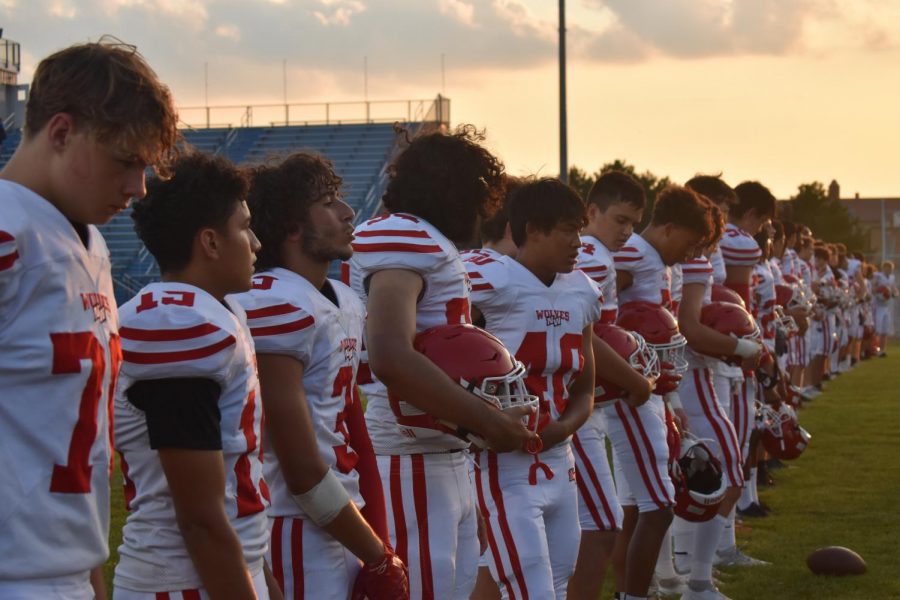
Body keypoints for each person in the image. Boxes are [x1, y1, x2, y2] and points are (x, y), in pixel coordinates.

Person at [0, 39, 177, 599]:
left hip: (64, 567)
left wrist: (90, 574)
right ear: (60, 133)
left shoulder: (88, 242)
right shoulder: (11, 233)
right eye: (126, 162)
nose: (137, 187)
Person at [348, 126, 537, 599]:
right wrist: (489, 422)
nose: (488, 211)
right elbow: (392, 355)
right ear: (458, 192)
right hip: (409, 455)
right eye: (483, 196)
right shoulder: (404, 236)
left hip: (437, 452)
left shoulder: (424, 239)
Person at [232, 153, 408, 599]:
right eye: (329, 202)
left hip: (342, 514)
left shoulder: (344, 300)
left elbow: (352, 427)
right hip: (292, 522)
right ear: (292, 227)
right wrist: (376, 553)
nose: (348, 212)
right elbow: (300, 466)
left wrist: (377, 536)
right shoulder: (276, 302)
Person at [114, 153, 273, 599]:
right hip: (186, 581)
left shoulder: (216, 310)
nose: (257, 242)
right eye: (244, 227)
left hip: (224, 567)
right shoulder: (177, 325)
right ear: (211, 242)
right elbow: (200, 521)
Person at [466, 178, 598, 599]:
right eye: (567, 229)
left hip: (561, 459)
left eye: (579, 228)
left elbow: (585, 388)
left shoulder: (582, 291)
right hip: (505, 462)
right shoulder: (489, 278)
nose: (578, 241)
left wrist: (562, 430)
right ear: (533, 230)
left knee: (558, 583)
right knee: (531, 587)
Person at [611, 185, 714, 600]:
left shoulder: (652, 257)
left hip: (649, 386)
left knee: (637, 504)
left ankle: (637, 588)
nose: (690, 255)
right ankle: (634, 592)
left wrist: (670, 398)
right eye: (688, 244)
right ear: (669, 227)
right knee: (652, 502)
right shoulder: (634, 253)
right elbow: (601, 313)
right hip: (631, 390)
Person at [569, 170, 653, 600]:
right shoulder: (591, 255)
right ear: (591, 211)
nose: (628, 231)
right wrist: (635, 380)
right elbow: (588, 338)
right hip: (570, 403)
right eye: (620, 220)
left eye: (633, 223)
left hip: (579, 400)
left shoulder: (596, 253)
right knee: (600, 523)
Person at [674, 201, 762, 600]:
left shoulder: (642, 254)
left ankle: (674, 572)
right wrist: (741, 345)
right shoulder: (691, 259)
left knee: (658, 482)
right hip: (693, 373)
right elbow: (690, 327)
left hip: (670, 375)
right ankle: (697, 581)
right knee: (724, 469)